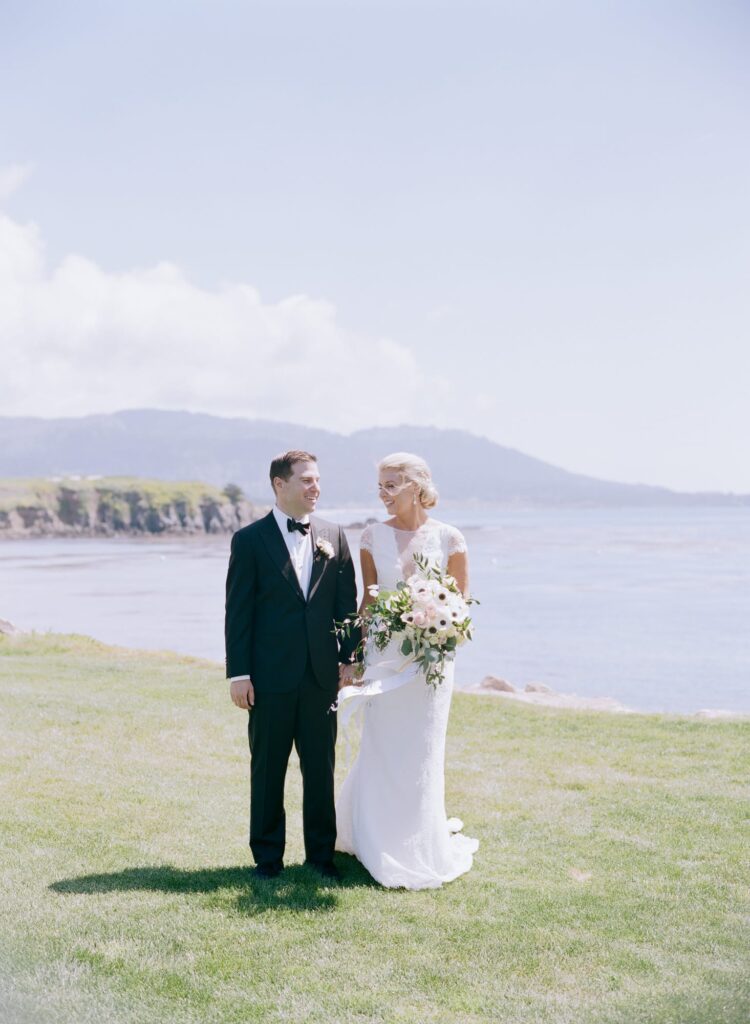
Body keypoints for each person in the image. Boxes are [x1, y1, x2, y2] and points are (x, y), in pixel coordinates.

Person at [336, 452, 479, 889]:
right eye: (380, 485)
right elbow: (368, 602)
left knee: (422, 750)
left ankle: (418, 840)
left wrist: (439, 634)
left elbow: (458, 606)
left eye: (392, 484)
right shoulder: (370, 536)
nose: (383, 493)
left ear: (417, 486)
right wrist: (353, 658)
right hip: (384, 655)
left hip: (430, 662)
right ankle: (374, 837)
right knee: (382, 744)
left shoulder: (450, 538)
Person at [225, 450, 358, 880]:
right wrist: (239, 674)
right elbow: (238, 613)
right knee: (268, 771)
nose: (315, 487)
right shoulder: (249, 541)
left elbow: (346, 606)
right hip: (269, 679)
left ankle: (321, 857)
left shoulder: (334, 536)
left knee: (321, 770)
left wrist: (349, 660)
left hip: (322, 678)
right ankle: (267, 860)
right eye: (305, 480)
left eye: (317, 479)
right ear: (279, 485)